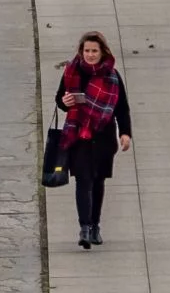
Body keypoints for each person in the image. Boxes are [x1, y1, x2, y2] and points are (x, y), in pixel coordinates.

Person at [55, 31, 133, 248]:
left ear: (102, 52)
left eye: (94, 51)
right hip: (79, 134)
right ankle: (84, 227)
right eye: (87, 50)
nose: (90, 55)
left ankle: (95, 225)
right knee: (83, 180)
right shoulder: (72, 72)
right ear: (81, 51)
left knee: (97, 181)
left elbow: (122, 109)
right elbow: (60, 100)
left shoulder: (112, 76)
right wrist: (66, 101)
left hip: (103, 136)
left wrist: (124, 133)